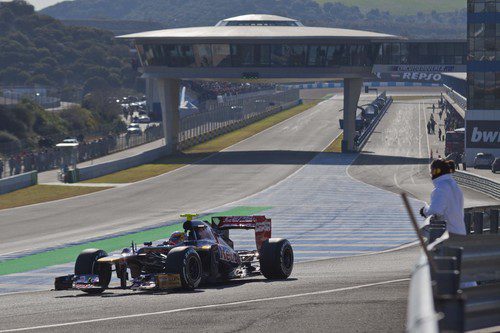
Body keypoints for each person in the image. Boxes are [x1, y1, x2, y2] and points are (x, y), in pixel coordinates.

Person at [419, 159, 465, 235]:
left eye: (432, 171)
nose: (431, 173)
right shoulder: (455, 186)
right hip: (461, 232)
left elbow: (435, 211)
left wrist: (424, 210)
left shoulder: (441, 188)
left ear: (437, 171)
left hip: (449, 235)